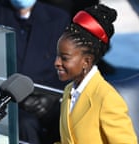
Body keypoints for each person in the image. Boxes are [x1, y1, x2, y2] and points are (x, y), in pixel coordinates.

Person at [0, 0, 70, 143]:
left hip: (48, 97)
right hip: (8, 98)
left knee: (68, 120)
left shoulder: (58, 17)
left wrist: (51, 97)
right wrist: (15, 95)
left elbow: (68, 63)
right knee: (25, 124)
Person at [54, 4, 138, 144]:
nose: (56, 62)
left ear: (86, 61)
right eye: (57, 56)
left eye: (65, 58)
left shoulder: (107, 99)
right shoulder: (69, 90)